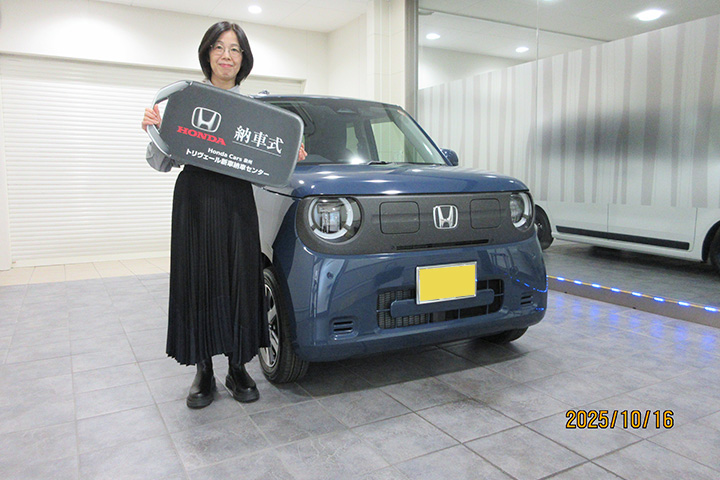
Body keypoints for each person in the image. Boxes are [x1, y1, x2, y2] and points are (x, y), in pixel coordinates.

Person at [141, 21, 306, 409]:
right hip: (195, 201)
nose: (226, 56)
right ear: (207, 54)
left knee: (239, 281)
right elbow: (161, 163)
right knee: (197, 280)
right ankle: (203, 371)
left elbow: (272, 169)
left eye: (234, 49)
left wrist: (291, 156)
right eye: (219, 47)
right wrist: (155, 132)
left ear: (243, 59)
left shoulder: (257, 113)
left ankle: (237, 368)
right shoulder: (187, 100)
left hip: (237, 203)